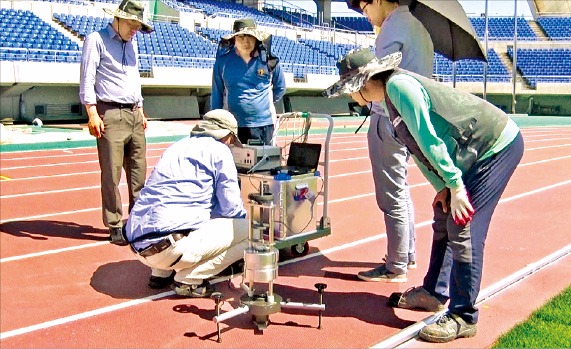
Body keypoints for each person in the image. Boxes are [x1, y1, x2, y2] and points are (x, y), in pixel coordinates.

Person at [324, 48, 524, 343]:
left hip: (496, 146)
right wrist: (443, 187)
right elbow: (417, 150)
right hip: (472, 154)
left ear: (362, 84)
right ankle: (434, 292)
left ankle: (464, 316)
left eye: (350, 91)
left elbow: (429, 140)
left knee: (462, 224)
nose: (351, 98)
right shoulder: (390, 99)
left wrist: (455, 185)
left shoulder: (399, 88)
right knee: (445, 213)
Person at [350, 0, 434, 283]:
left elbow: (376, 82)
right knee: (401, 188)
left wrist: (357, 94)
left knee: (391, 195)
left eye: (364, 10)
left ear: (377, 1)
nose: (367, 17)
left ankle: (395, 266)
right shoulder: (418, 27)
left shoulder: (390, 29)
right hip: (409, 117)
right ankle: (406, 254)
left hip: (388, 117)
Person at [124, 109, 249, 298]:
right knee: (250, 232)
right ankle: (190, 279)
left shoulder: (176, 146)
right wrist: (241, 224)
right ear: (227, 135)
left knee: (180, 213)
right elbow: (230, 207)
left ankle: (160, 273)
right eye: (232, 141)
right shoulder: (220, 151)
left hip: (138, 246)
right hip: (170, 249)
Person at [79, 0, 153, 245]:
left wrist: (141, 108)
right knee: (111, 175)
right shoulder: (96, 40)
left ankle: (137, 222)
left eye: (138, 26)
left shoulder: (133, 44)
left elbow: (134, 79)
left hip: (134, 114)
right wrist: (92, 113)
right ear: (118, 19)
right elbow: (87, 79)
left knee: (138, 174)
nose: (135, 30)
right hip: (109, 114)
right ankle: (114, 224)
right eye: (132, 24)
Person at [211, 18, 286, 146]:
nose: (246, 41)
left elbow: (280, 87)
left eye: (250, 36)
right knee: (235, 164)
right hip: (232, 126)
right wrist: (216, 123)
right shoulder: (222, 62)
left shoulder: (269, 60)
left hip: (265, 125)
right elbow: (217, 93)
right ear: (234, 39)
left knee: (265, 164)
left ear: (256, 38)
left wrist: (262, 105)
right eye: (241, 37)